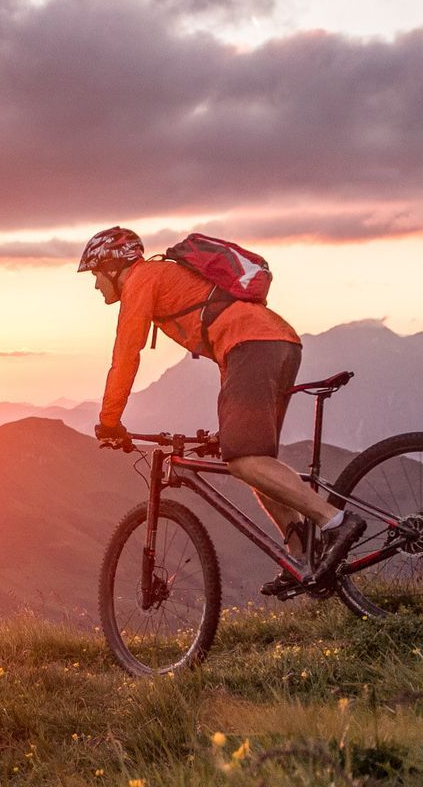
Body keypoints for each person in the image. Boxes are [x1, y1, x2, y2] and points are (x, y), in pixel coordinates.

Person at [81, 225, 364, 592]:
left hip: (252, 346)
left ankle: (334, 521)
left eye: (95, 274)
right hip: (275, 343)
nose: (94, 285)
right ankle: (303, 557)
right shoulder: (165, 277)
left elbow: (125, 355)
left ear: (112, 266)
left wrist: (109, 420)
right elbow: (223, 338)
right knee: (255, 462)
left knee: (245, 459)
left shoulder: (143, 279)